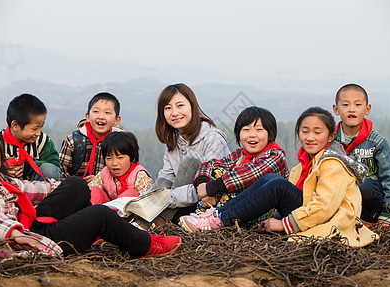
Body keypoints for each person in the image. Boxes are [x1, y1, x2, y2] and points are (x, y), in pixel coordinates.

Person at [179, 107, 378, 247]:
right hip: (306, 212)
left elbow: (324, 207)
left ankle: (218, 220)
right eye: (305, 131)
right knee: (271, 181)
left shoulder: (332, 163)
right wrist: (204, 183)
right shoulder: (304, 165)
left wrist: (284, 224)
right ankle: (216, 216)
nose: (309, 137)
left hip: (330, 219)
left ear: (331, 136)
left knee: (276, 184)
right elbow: (211, 164)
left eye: (317, 132)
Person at [0, 129, 181, 259]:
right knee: (100, 214)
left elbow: (30, 189)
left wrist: (65, 187)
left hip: (31, 224)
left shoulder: (2, 182)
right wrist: (16, 234)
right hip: (25, 239)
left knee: (76, 185)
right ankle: (146, 245)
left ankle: (83, 228)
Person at [192, 106, 289, 228]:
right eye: (246, 130)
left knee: (230, 179)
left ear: (270, 135)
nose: (252, 135)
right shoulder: (240, 155)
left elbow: (251, 175)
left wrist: (213, 187)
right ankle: (203, 216)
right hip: (233, 210)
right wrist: (203, 185)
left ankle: (213, 220)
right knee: (218, 170)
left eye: (259, 130)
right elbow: (209, 164)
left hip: (260, 213)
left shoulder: (275, 155)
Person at [152, 83, 231, 223]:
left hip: (207, 205)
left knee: (190, 163)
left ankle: (158, 222)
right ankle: (143, 220)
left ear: (192, 106)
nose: (174, 113)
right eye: (168, 108)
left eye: (180, 105)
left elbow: (210, 187)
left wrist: (165, 198)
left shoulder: (213, 139)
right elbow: (166, 177)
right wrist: (147, 199)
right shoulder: (173, 140)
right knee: (162, 183)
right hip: (179, 202)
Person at [332, 83, 390, 229]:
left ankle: (367, 220)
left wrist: (387, 213)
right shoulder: (330, 141)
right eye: (345, 105)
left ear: (367, 109)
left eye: (358, 104)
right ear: (336, 109)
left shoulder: (376, 142)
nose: (351, 109)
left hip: (369, 201)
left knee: (364, 184)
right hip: (340, 199)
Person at [59, 92, 124, 183]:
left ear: (117, 119)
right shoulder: (73, 141)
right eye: (96, 112)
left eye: (107, 112)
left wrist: (100, 181)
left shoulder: (121, 144)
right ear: (88, 117)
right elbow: (61, 171)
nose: (101, 116)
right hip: (74, 192)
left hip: (109, 193)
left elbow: (127, 175)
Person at [0, 94, 61, 181]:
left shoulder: (43, 141)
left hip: (37, 189)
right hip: (6, 189)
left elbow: (55, 165)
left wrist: (28, 166)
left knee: (50, 170)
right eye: (35, 128)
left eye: (41, 126)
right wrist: (3, 169)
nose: (38, 133)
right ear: (15, 126)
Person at [88, 131, 153, 205]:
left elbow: (147, 202)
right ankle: (91, 214)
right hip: (106, 211)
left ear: (133, 158)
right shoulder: (104, 173)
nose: (114, 163)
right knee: (93, 191)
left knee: (130, 193)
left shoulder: (140, 175)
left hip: (130, 213)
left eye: (120, 158)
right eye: (109, 158)